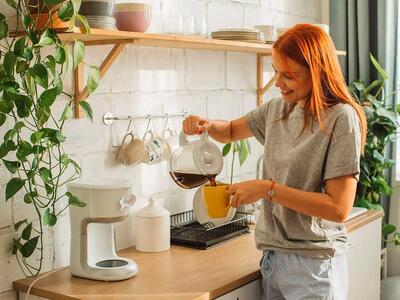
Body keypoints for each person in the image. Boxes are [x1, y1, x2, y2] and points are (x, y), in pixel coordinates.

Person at [182, 23, 367, 299]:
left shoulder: (341, 118)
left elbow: (338, 208)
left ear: (316, 74)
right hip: (272, 260)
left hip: (313, 267)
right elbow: (232, 130)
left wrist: (267, 189)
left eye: (289, 76)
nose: (278, 82)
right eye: (275, 71)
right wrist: (206, 124)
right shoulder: (278, 110)